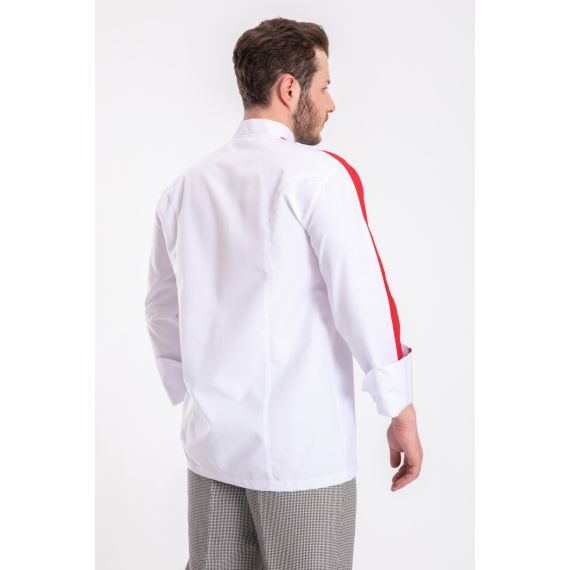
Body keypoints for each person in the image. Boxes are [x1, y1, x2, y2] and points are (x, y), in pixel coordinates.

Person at [144, 16, 423, 570]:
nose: (331, 103)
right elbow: (364, 299)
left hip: (211, 447)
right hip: (302, 454)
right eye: (324, 86)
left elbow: (160, 308)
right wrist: (399, 408)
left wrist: (190, 390)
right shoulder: (318, 176)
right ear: (289, 89)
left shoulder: (184, 187)